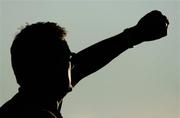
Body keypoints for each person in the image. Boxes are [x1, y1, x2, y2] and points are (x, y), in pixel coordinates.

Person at [0, 10, 169, 118]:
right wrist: (136, 34)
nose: (72, 64)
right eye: (66, 58)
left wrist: (135, 35)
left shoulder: (27, 102)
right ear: (45, 68)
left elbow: (85, 62)